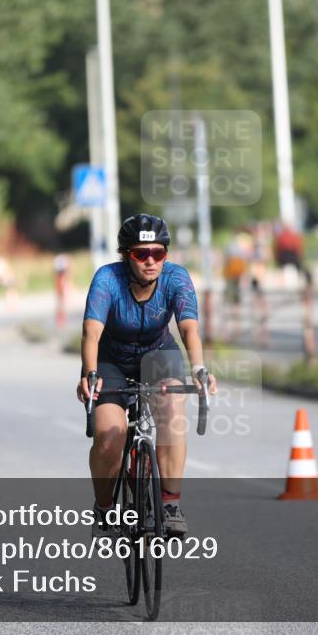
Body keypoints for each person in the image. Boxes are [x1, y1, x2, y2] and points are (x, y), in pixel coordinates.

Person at [77, 214, 218, 537]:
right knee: (109, 436)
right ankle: (104, 509)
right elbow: (91, 333)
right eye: (141, 254)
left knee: (171, 411)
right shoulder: (107, 279)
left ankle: (170, 504)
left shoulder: (176, 278)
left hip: (158, 354)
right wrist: (90, 374)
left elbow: (189, 329)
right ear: (126, 255)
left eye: (158, 253)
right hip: (111, 359)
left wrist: (198, 369)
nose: (151, 261)